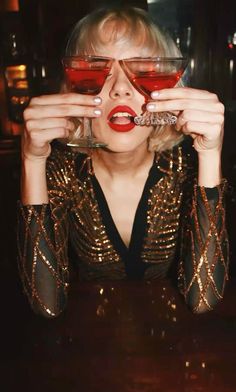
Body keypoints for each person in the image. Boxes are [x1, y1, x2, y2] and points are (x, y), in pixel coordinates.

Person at [17, 6, 229, 318]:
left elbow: (204, 299)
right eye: (97, 70)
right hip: (90, 352)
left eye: (141, 69)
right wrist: (31, 160)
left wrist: (211, 155)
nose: (119, 87)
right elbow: (46, 304)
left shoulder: (188, 170)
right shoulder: (61, 172)